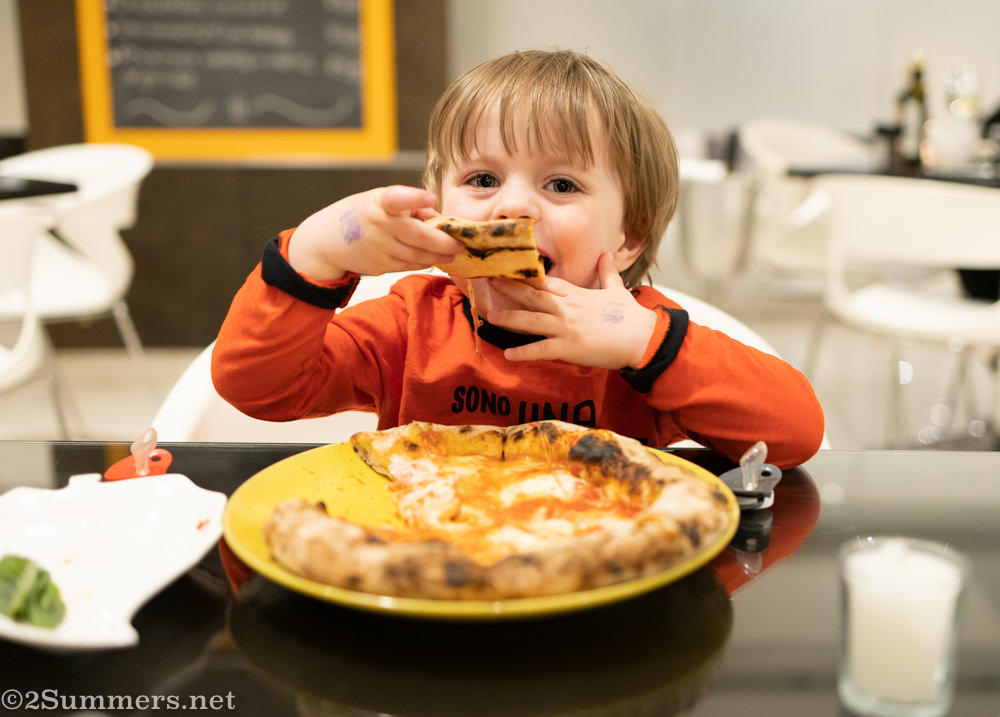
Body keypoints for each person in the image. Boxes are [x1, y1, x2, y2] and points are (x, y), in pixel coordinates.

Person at [212, 49, 824, 468]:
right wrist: (315, 253)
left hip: (599, 580)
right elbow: (256, 388)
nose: (513, 208)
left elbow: (795, 433)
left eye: (561, 185)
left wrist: (644, 344)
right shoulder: (411, 325)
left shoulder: (634, 338)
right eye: (482, 178)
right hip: (431, 568)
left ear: (629, 237)